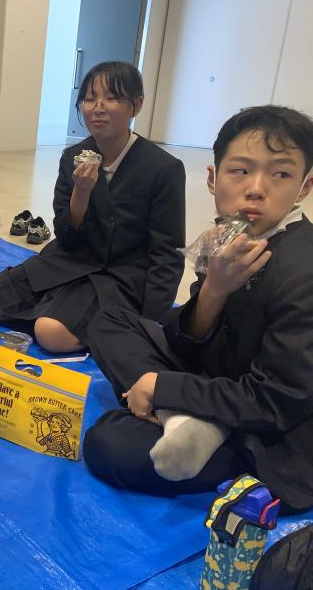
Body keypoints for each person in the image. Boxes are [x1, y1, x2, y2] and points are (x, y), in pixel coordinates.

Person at [83, 105, 313, 513]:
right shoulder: (229, 234)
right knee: (108, 320)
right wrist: (213, 291)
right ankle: (185, 420)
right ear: (212, 178)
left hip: (266, 428)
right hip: (218, 375)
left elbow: (277, 400)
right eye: (240, 170)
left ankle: (197, 424)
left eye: (280, 174)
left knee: (110, 443)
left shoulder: (303, 270)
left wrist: (163, 388)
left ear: (304, 186)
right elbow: (187, 345)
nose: (256, 189)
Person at [0, 61, 185, 352]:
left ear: (136, 105)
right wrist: (81, 192)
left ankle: (72, 318)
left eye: (112, 98)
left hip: (118, 274)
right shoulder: (73, 156)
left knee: (50, 334)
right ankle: (60, 311)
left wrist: (148, 321)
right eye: (90, 98)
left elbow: (167, 252)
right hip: (71, 259)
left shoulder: (162, 168)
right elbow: (66, 236)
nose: (98, 107)